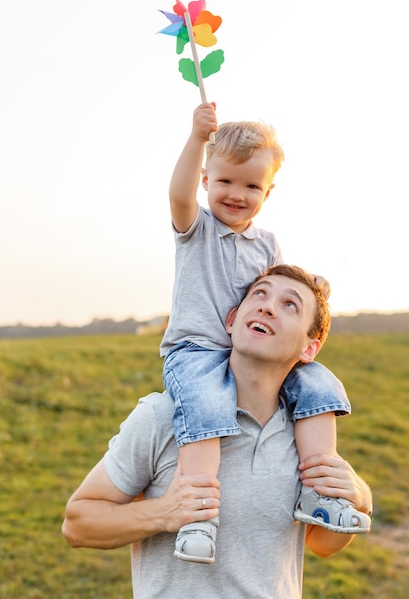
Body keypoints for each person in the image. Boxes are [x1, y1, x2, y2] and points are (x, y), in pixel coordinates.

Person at [62, 264, 372, 599]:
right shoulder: (163, 415)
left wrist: (360, 500)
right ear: (232, 320)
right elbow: (77, 524)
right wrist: (162, 513)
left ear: (309, 349)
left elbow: (321, 545)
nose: (267, 306)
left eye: (290, 304)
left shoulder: (308, 435)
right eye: (260, 294)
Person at [160, 103, 363, 564]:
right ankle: (198, 514)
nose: (237, 194)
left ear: (268, 193)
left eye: (252, 185)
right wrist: (196, 140)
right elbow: (178, 195)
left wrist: (312, 290)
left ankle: (320, 490)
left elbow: (277, 290)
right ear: (207, 180)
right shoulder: (197, 228)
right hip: (196, 350)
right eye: (226, 180)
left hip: (246, 352)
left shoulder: (267, 243)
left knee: (317, 382)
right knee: (207, 406)